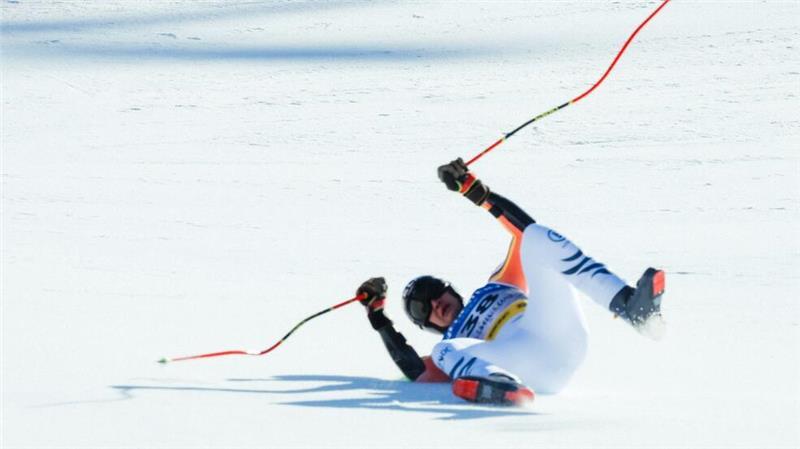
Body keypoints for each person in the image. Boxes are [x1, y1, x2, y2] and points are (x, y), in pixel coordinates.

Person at [357, 158, 665, 406]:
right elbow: (416, 371)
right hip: (519, 363)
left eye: (434, 291)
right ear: (425, 323)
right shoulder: (454, 344)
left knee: (537, 237)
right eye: (422, 308)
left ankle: (632, 308)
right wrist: (377, 316)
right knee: (443, 349)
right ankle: (497, 384)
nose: (434, 303)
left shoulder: (498, 283)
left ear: (450, 288)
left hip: (556, 336)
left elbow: (523, 234)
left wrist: (476, 192)